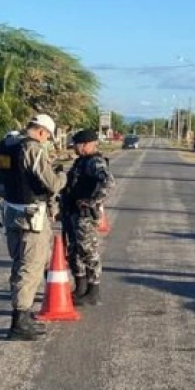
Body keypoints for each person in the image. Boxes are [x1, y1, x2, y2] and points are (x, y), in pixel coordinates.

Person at [0, 114, 67, 340]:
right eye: (48, 138)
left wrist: (14, 194)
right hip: (32, 215)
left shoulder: (7, 146)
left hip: (11, 212)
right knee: (31, 266)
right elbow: (52, 184)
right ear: (42, 131)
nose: (46, 142)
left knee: (19, 264)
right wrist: (61, 176)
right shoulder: (32, 149)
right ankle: (20, 321)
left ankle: (21, 315)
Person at [60, 129, 114, 306]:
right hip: (73, 213)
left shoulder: (94, 162)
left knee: (88, 251)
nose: (74, 147)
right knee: (75, 251)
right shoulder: (81, 162)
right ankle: (80, 288)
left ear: (86, 145)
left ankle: (93, 290)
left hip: (85, 216)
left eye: (76, 144)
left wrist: (93, 201)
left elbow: (108, 181)